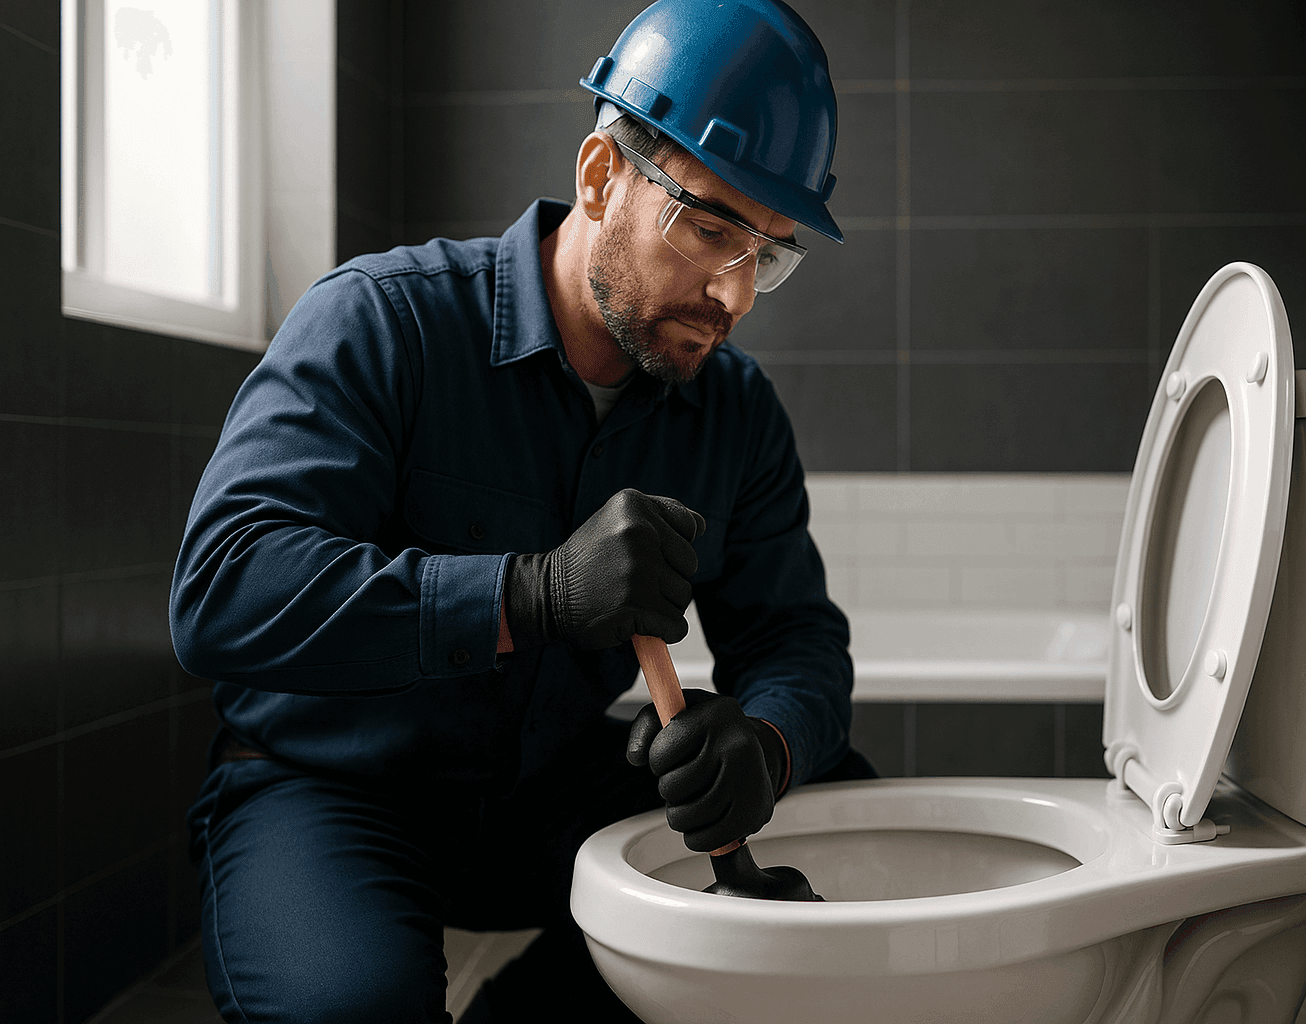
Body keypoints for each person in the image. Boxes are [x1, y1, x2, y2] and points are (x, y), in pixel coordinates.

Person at [169, 1, 870, 1021]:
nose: (735, 296)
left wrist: (763, 745)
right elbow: (223, 588)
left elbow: (796, 637)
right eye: (710, 226)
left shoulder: (735, 410)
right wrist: (528, 592)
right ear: (599, 177)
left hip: (540, 792)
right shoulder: (382, 322)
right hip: (332, 787)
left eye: (767, 252)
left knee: (840, 806)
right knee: (351, 1007)